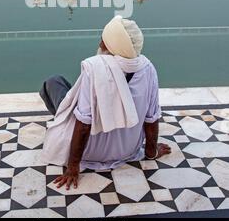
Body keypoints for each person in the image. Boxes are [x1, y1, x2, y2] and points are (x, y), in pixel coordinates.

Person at [39, 15, 171, 190]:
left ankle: (61, 121)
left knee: (53, 83)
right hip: (128, 150)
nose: (101, 43)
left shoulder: (93, 67)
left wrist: (72, 167)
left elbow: (84, 124)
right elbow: (151, 118)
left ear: (109, 45)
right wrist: (151, 152)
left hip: (90, 152)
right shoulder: (148, 68)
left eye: (103, 39)